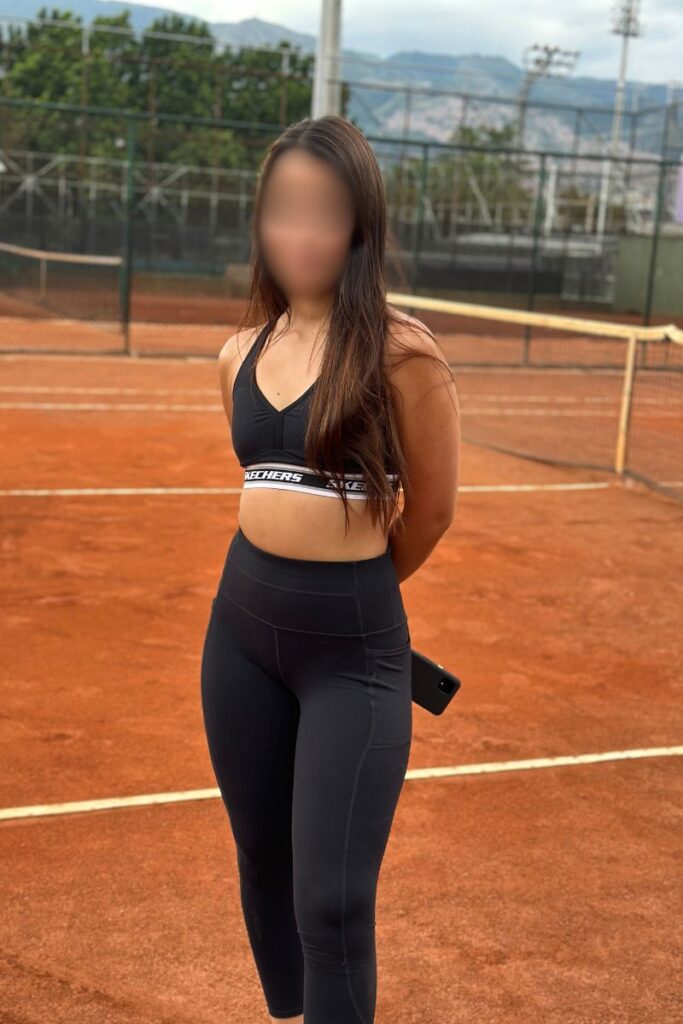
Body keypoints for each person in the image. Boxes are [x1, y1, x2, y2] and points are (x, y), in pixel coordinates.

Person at [200, 114, 460, 1024]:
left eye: (324, 212)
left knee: (334, 900)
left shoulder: (401, 350)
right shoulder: (239, 350)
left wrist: (348, 594)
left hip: (351, 647)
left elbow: (429, 508)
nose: (301, 233)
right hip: (239, 635)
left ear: (359, 224)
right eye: (283, 211)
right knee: (261, 859)